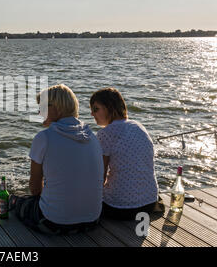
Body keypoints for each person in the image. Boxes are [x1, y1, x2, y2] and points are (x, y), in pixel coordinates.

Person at [9, 84, 104, 235]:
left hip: (55, 222)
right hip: (92, 220)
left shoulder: (44, 138)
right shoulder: (92, 136)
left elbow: (34, 187)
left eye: (42, 107)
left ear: (56, 108)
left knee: (14, 200)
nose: (40, 113)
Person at [90, 87, 163, 220]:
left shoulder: (104, 134)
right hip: (149, 202)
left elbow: (100, 177)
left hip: (119, 207)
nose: (91, 114)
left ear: (109, 108)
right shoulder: (138, 126)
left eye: (95, 109)